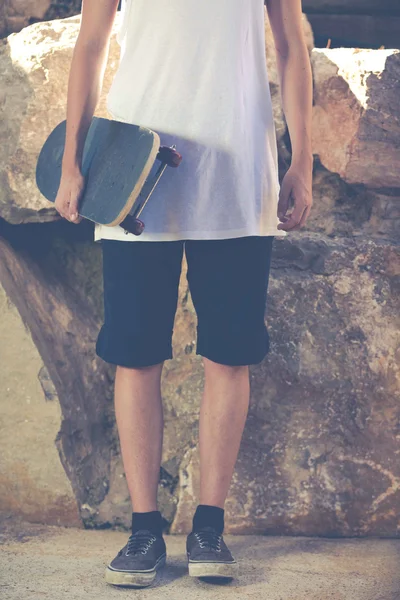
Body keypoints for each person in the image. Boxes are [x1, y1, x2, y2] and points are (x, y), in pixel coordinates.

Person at [55, 0, 313, 588]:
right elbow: (90, 45)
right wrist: (73, 159)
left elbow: (293, 47)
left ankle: (209, 529)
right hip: (131, 169)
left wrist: (302, 159)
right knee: (134, 351)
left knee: (230, 351)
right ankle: (143, 530)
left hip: (238, 171)